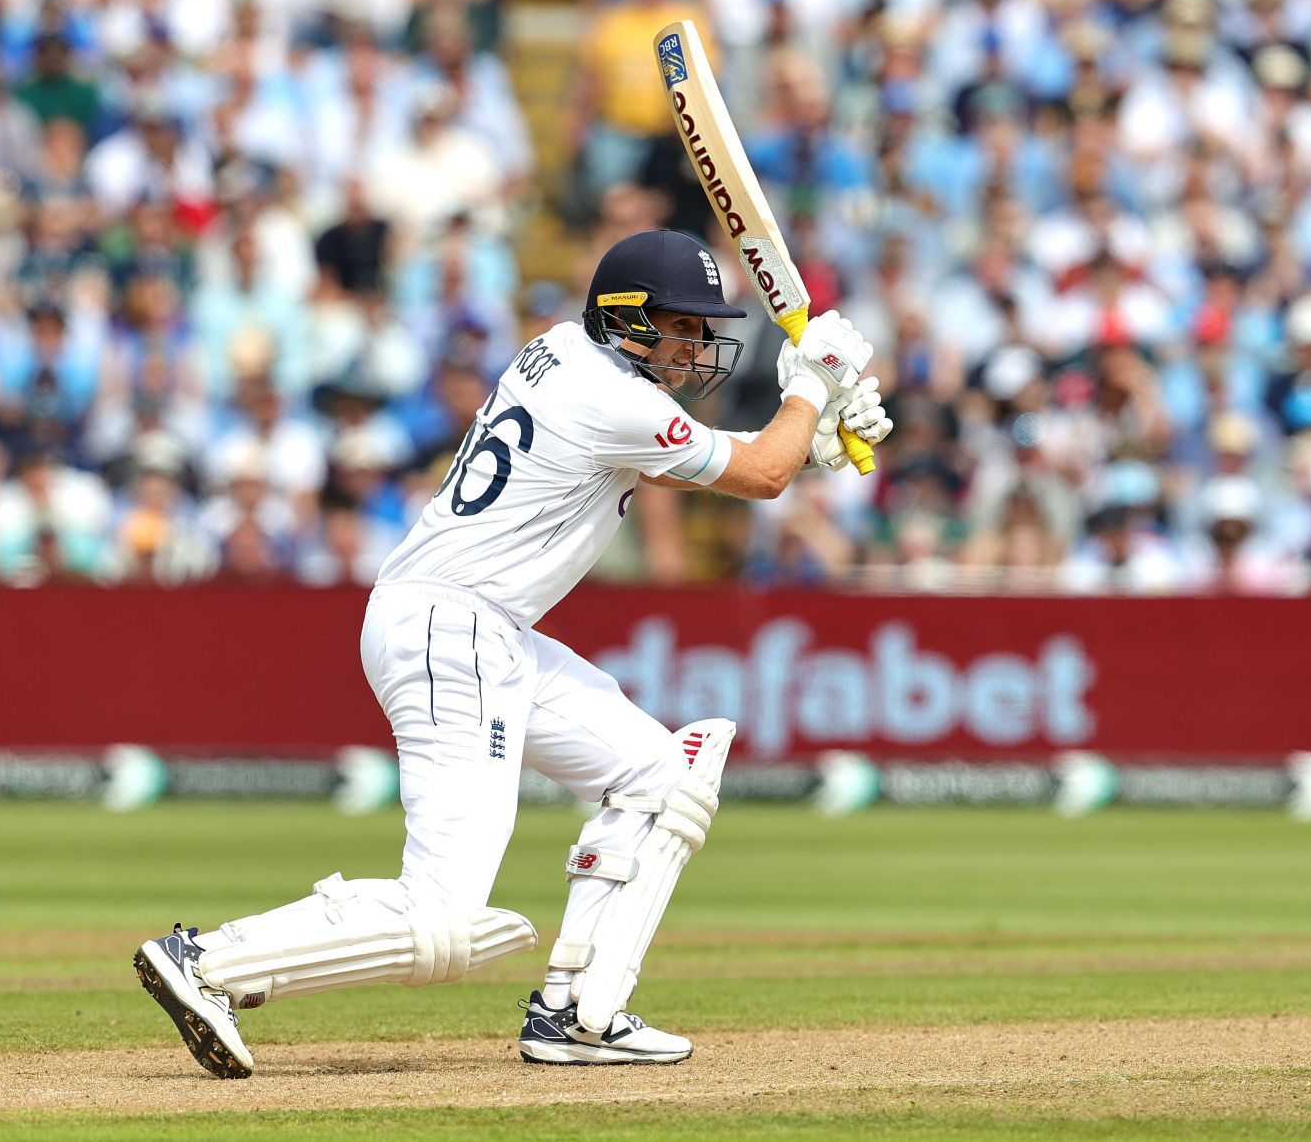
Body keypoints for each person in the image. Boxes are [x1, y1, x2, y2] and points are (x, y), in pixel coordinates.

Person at [131, 229, 891, 1073]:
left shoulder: (562, 353)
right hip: (453, 630)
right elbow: (758, 476)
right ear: (629, 322)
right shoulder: (617, 399)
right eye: (681, 326)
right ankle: (208, 960)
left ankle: (577, 1013)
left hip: (479, 627)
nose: (696, 345)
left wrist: (804, 439)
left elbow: (700, 464)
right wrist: (811, 394)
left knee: (660, 775)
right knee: (446, 907)